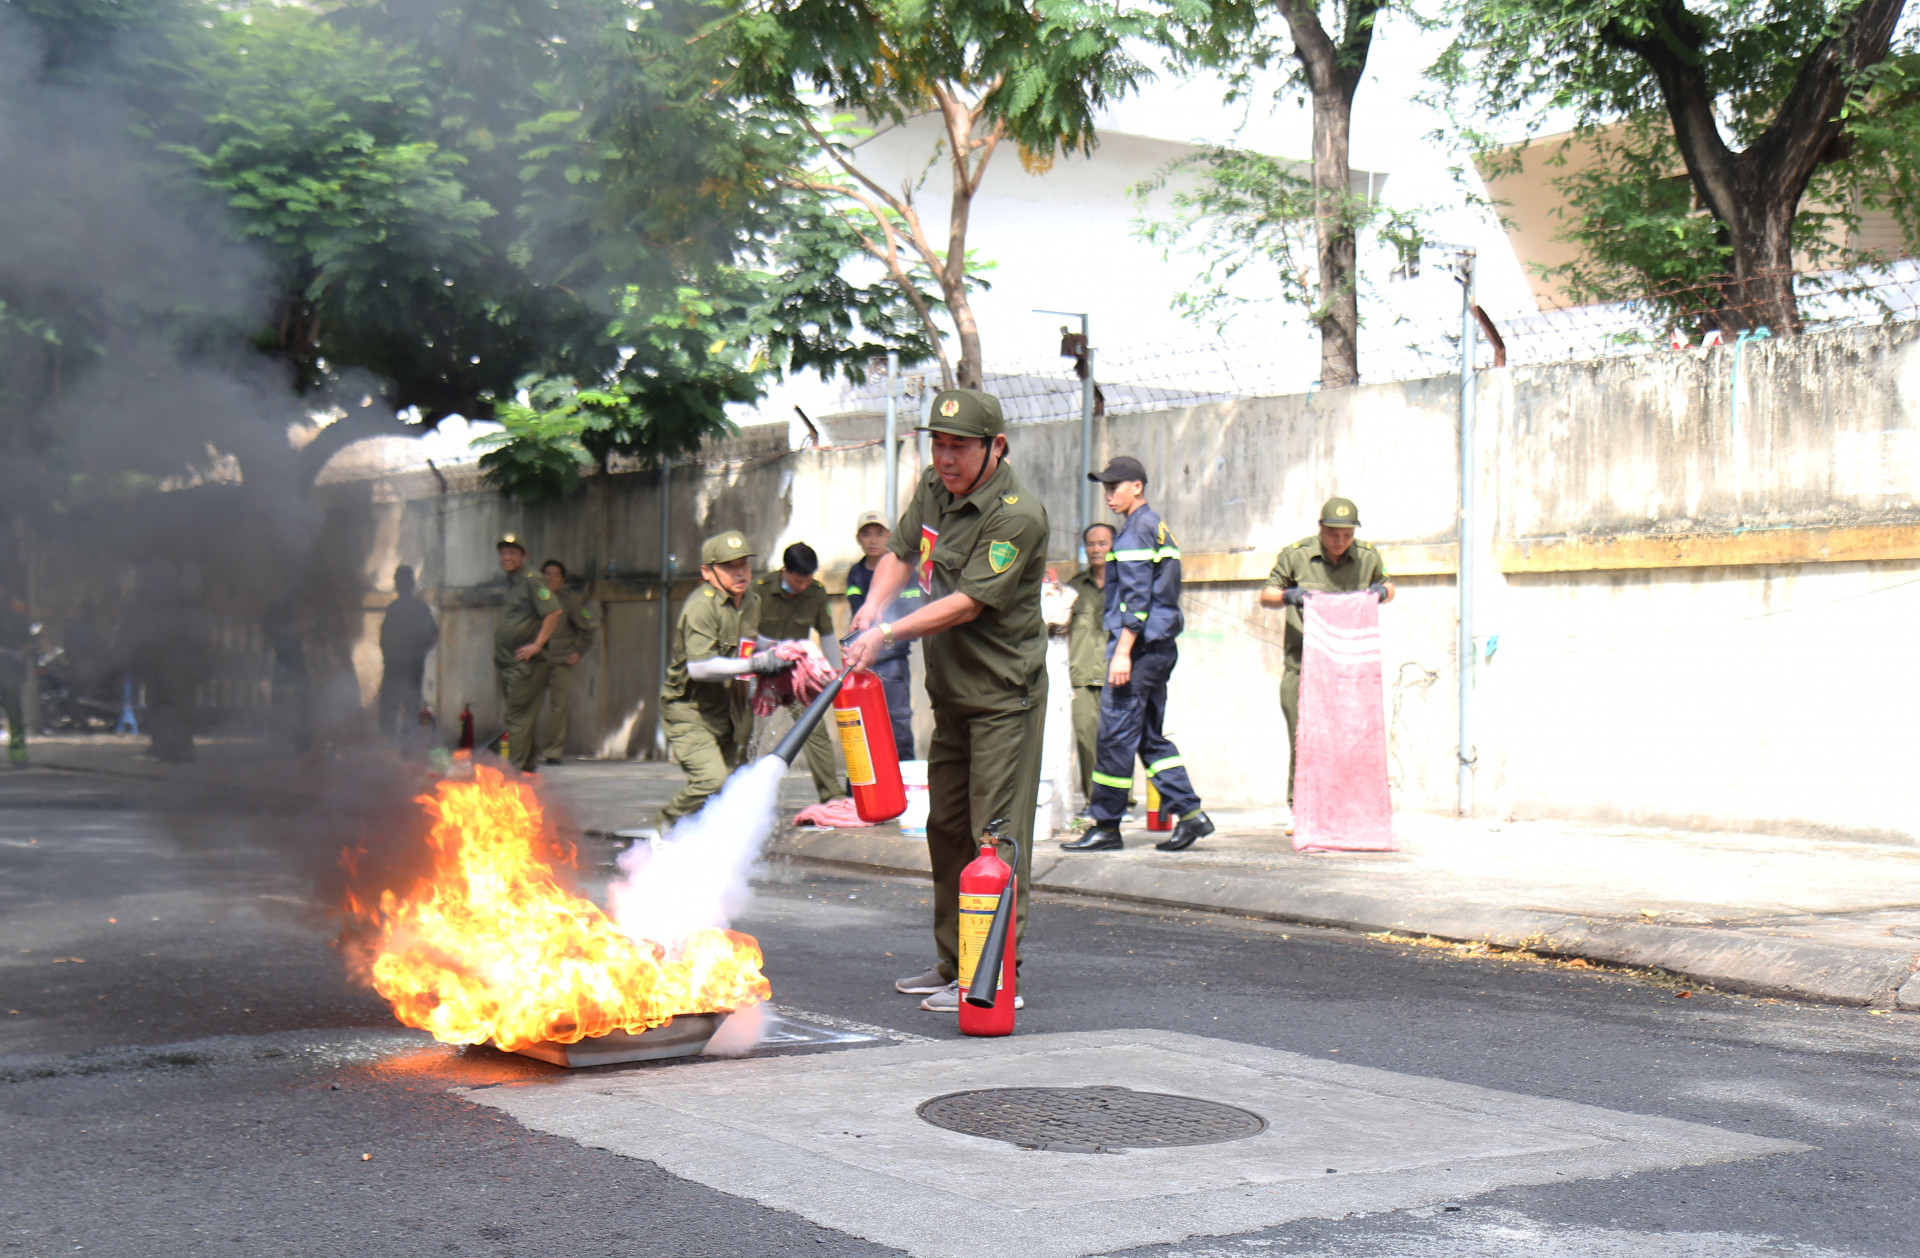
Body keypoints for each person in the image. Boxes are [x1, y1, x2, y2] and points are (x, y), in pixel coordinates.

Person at [842, 388, 1048, 1013]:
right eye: (938, 443)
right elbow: (902, 554)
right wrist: (870, 607)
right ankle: (953, 962)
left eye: (959, 445)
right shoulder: (935, 486)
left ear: (996, 447)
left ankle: (992, 977)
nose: (947, 457)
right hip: (953, 697)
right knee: (947, 831)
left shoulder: (1016, 515)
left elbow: (968, 603)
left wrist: (888, 632)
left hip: (1003, 699)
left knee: (995, 838)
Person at [1060, 457, 1213, 854]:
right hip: (1157, 650)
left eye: (1116, 486)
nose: (1109, 494)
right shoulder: (1154, 526)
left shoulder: (1134, 533)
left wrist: (1123, 653)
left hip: (1139, 649)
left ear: (1137, 487)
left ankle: (1107, 826)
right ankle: (1191, 815)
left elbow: (1136, 601)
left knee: (1113, 737)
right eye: (1105, 487)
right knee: (1147, 737)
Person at [1257, 497, 1395, 809]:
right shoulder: (1297, 556)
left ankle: (1345, 808)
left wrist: (1381, 593)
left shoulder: (1367, 556)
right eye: (1333, 534)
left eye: (1347, 535)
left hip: (1349, 672)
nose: (1340, 542)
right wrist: (1290, 595)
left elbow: (1389, 585)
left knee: (1350, 743)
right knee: (1304, 741)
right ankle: (1300, 807)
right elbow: (1266, 594)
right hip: (1303, 668)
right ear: (1321, 529)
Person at [657, 531, 795, 829]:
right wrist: (756, 663)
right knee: (711, 779)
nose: (739, 572)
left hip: (730, 706)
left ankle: (700, 844)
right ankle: (663, 828)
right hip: (689, 709)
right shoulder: (701, 606)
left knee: (732, 785)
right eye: (729, 566)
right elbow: (699, 667)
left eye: (744, 564)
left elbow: (749, 640)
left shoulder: (750, 601)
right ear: (707, 572)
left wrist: (781, 650)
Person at [749, 542, 843, 805]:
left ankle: (831, 794)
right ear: (784, 571)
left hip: (796, 675)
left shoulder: (816, 593)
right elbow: (744, 634)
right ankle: (736, 789)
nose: (803, 584)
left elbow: (826, 634)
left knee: (813, 728)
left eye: (808, 579)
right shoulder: (759, 591)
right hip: (760, 671)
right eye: (797, 579)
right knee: (746, 731)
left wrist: (835, 677)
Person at [844, 509, 921, 760]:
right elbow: (859, 613)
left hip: (894, 658)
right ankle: (855, 791)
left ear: (890, 536)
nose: (873, 540)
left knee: (898, 722)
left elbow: (912, 609)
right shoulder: (855, 574)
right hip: (865, 660)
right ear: (859, 539)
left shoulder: (906, 571)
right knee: (861, 725)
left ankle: (905, 779)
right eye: (867, 535)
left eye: (879, 534)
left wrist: (887, 632)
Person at [493, 534, 563, 774]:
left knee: (516, 717)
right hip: (509, 663)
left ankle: (513, 771)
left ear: (524, 556)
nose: (507, 557)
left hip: (525, 664)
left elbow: (553, 612)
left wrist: (537, 644)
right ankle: (527, 769)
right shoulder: (512, 582)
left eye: (513, 553)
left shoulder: (532, 580)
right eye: (503, 553)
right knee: (526, 716)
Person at [1064, 522, 1115, 817]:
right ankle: (1094, 801)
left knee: (1117, 739)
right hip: (1081, 676)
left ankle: (1121, 801)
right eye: (1091, 544)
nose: (1097, 549)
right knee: (1086, 740)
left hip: (1116, 674)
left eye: (1103, 543)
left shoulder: (1124, 586)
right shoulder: (1074, 588)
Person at [536, 559, 596, 765]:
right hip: (535, 660)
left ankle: (553, 752)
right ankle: (525, 750)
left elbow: (587, 629)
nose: (550, 578)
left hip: (560, 660)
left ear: (562, 579)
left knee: (558, 708)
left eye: (555, 575)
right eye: (547, 574)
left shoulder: (570, 601)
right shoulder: (534, 598)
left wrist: (578, 651)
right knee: (528, 706)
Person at [377, 565, 439, 749]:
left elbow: (433, 634)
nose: (400, 584)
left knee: (411, 711)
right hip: (392, 669)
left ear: (411, 584)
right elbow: (384, 638)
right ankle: (387, 750)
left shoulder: (420, 608)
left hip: (411, 670)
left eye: (404, 580)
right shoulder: (393, 608)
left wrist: (417, 655)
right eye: (398, 581)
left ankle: (408, 751)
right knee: (388, 709)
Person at [0, 581, 33, 767]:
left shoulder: (15, 618)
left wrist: (21, 653)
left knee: (15, 718)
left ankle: (18, 756)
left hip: (10, 675)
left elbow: (28, 642)